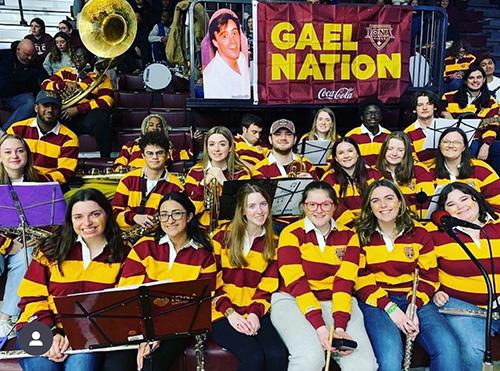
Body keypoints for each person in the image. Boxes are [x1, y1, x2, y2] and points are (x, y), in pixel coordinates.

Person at [16, 188, 128, 371]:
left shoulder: (123, 254)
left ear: (107, 214)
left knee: (80, 367)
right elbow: (31, 298)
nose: (87, 223)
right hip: (38, 325)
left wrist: (77, 333)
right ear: (70, 220)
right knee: (43, 368)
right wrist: (51, 332)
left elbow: (119, 305)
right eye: (78, 217)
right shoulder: (50, 250)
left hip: (92, 332)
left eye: (95, 214)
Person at [355, 179, 461, 371]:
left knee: (448, 348)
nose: (383, 205)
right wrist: (390, 308)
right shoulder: (360, 235)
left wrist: (414, 304)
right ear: (369, 207)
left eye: (389, 198)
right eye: (375, 201)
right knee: (390, 360)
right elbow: (360, 278)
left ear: (400, 202)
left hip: (415, 298)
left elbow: (429, 275)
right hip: (377, 302)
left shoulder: (419, 233)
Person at [271, 181, 378, 371]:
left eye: (326, 204)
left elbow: (344, 283)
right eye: (312, 204)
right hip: (293, 300)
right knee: (310, 357)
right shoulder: (291, 234)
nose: (319, 210)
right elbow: (297, 283)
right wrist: (321, 328)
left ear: (334, 206)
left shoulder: (349, 236)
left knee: (364, 365)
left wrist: (339, 328)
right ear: (304, 206)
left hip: (338, 302)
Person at [107, 192, 216, 371]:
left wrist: (160, 335)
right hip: (140, 322)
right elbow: (128, 294)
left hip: (180, 325)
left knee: (152, 365)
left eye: (176, 214)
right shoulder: (144, 246)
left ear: (189, 216)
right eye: (164, 215)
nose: (169, 220)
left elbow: (198, 304)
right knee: (115, 366)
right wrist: (146, 335)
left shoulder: (203, 256)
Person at [210, 184, 288, 371]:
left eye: (263, 204)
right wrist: (230, 313)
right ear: (242, 210)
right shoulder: (221, 237)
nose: (259, 211)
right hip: (220, 311)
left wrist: (254, 313)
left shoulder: (275, 242)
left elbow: (268, 286)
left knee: (277, 356)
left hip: (256, 310)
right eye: (252, 206)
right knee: (253, 357)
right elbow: (212, 281)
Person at [430, 182, 500, 371]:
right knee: (473, 351)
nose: (460, 206)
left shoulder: (497, 225)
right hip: (461, 305)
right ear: (443, 211)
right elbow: (423, 268)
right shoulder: (437, 236)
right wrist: (435, 290)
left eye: (464, 199)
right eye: (451, 204)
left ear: (476, 199)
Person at [0, 134, 47, 337]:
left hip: (29, 242)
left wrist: (41, 236)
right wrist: (7, 245)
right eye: (8, 152)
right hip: (4, 242)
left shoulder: (41, 180)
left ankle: (5, 318)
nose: (14, 156)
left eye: (20, 151)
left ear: (27, 154)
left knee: (26, 257)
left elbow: (53, 217)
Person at [41, 48, 114, 157]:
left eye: (82, 57)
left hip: (87, 116)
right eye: (75, 57)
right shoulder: (66, 72)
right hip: (64, 115)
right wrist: (62, 85)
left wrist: (78, 109)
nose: (78, 60)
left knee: (102, 116)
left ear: (90, 59)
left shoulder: (100, 77)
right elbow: (45, 84)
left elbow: (107, 101)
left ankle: (105, 158)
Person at [112, 132, 184, 233]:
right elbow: (114, 213)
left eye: (159, 153)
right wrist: (134, 217)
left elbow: (178, 219)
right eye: (150, 153)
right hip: (126, 237)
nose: (155, 157)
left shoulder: (176, 186)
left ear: (167, 155)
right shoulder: (128, 179)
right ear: (143, 155)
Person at [185, 126, 251, 231]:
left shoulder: (242, 173)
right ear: (206, 148)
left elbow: (244, 209)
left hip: (232, 231)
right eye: (211, 144)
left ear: (230, 147)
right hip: (201, 232)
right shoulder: (195, 172)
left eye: (222, 144)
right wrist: (203, 184)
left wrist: (225, 182)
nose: (216, 149)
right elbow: (190, 210)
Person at [6, 90, 79, 184]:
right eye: (45, 105)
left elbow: (65, 173)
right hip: (13, 182)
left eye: (55, 107)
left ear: (60, 110)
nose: (50, 110)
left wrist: (33, 180)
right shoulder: (16, 129)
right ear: (36, 108)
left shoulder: (69, 138)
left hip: (47, 187)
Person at [430, 127, 500, 213]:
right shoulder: (430, 173)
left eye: (457, 142)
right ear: (439, 146)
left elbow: (497, 205)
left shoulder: (481, 169)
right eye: (445, 142)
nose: (451, 145)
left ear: (464, 147)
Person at [442, 65, 499, 162]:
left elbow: (491, 127)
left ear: (484, 80)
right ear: (465, 81)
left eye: (479, 77)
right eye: (471, 78)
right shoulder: (449, 97)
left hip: (476, 139)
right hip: (451, 138)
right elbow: (437, 109)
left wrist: (486, 145)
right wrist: (444, 113)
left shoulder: (491, 102)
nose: (475, 81)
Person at [322, 137, 382, 227]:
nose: (346, 156)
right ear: (336, 158)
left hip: (375, 225)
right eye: (341, 153)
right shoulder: (329, 179)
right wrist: (356, 226)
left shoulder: (374, 174)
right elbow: (332, 207)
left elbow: (383, 201)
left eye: (350, 151)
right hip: (345, 229)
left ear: (357, 154)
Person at [375, 132, 434, 220]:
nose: (394, 153)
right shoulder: (375, 173)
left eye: (400, 150)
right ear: (384, 150)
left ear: (406, 152)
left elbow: (426, 204)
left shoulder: (419, 169)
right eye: (390, 149)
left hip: (416, 223)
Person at [113, 114, 192, 172]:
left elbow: (190, 154)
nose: (155, 128)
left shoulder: (167, 147)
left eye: (159, 126)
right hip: (131, 179)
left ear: (163, 129)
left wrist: (194, 139)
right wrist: (130, 170)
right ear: (145, 128)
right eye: (151, 125)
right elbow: (117, 166)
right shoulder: (130, 145)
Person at [0, 39, 48, 132]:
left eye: (32, 55)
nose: (30, 58)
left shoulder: (35, 62)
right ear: (18, 50)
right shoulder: (4, 56)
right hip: (2, 94)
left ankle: (5, 133)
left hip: (18, 97)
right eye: (26, 54)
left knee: (30, 102)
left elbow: (45, 79)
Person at [202, 10, 251, 99]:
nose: (232, 41)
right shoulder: (211, 75)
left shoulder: (242, 59)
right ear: (215, 42)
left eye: (234, 33)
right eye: (225, 36)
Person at [252, 119, 316, 179]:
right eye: (278, 134)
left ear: (295, 139)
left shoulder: (307, 164)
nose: (283, 138)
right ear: (270, 139)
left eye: (288, 134)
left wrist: (311, 183)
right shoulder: (259, 169)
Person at [345, 98, 391, 167]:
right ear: (362, 117)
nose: (373, 116)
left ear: (381, 116)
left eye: (376, 113)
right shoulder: (351, 136)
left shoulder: (389, 136)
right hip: (360, 175)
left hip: (382, 176)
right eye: (368, 113)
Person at [403, 90, 441, 166]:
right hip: (422, 174)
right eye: (420, 105)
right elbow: (412, 162)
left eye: (429, 104)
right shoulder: (407, 133)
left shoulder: (446, 126)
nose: (424, 108)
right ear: (414, 109)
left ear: (435, 107)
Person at [298, 108, 337, 178]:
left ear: (332, 124)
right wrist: (312, 175)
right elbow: (301, 159)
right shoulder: (305, 138)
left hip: (331, 177)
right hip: (309, 175)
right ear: (315, 122)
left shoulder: (338, 140)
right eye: (320, 119)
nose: (323, 123)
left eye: (327, 120)